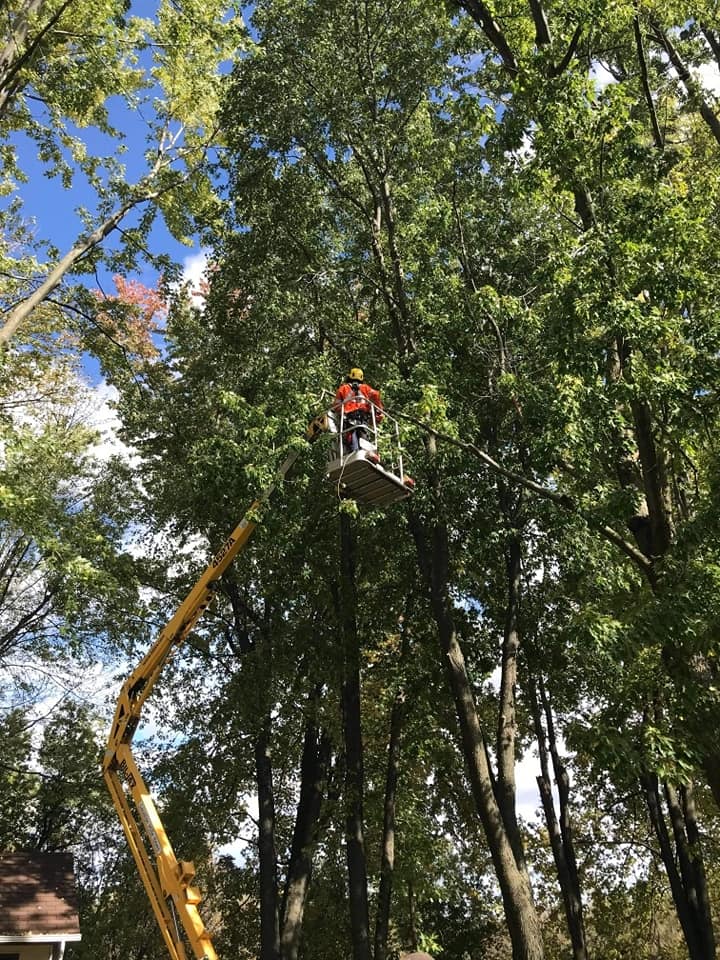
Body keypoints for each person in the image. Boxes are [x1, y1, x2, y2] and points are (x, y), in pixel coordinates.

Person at [333, 367, 383, 453]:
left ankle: (355, 451)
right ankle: (366, 453)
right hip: (363, 418)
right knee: (363, 436)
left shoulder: (343, 388)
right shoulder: (365, 388)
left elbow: (336, 406)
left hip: (349, 418)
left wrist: (342, 411)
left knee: (351, 437)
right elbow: (376, 395)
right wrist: (379, 410)